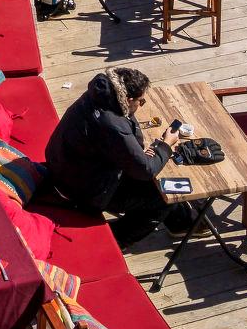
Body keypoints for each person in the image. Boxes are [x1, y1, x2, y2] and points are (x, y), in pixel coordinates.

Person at [44, 68, 198, 245]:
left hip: (66, 169)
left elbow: (119, 143)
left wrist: (136, 151)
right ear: (128, 99)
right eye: (141, 101)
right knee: (164, 196)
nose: (142, 105)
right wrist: (165, 145)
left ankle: (183, 221)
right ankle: (114, 241)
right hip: (83, 191)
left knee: (154, 177)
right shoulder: (112, 124)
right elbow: (145, 170)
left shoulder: (97, 96)